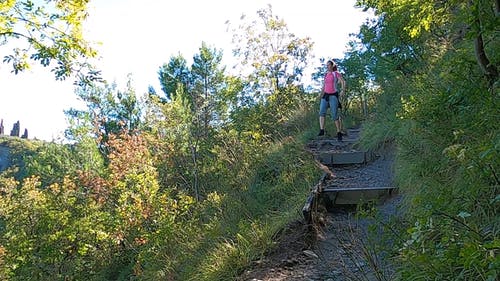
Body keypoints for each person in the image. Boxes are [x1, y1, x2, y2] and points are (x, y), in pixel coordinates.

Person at [318, 60, 346, 141]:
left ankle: (339, 132)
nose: (327, 67)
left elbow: (343, 82)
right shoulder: (326, 74)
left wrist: (342, 91)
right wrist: (320, 94)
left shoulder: (336, 73)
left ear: (332, 66)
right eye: (326, 65)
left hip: (333, 95)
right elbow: (324, 85)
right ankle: (322, 130)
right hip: (325, 95)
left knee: (334, 115)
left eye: (328, 65)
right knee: (321, 112)